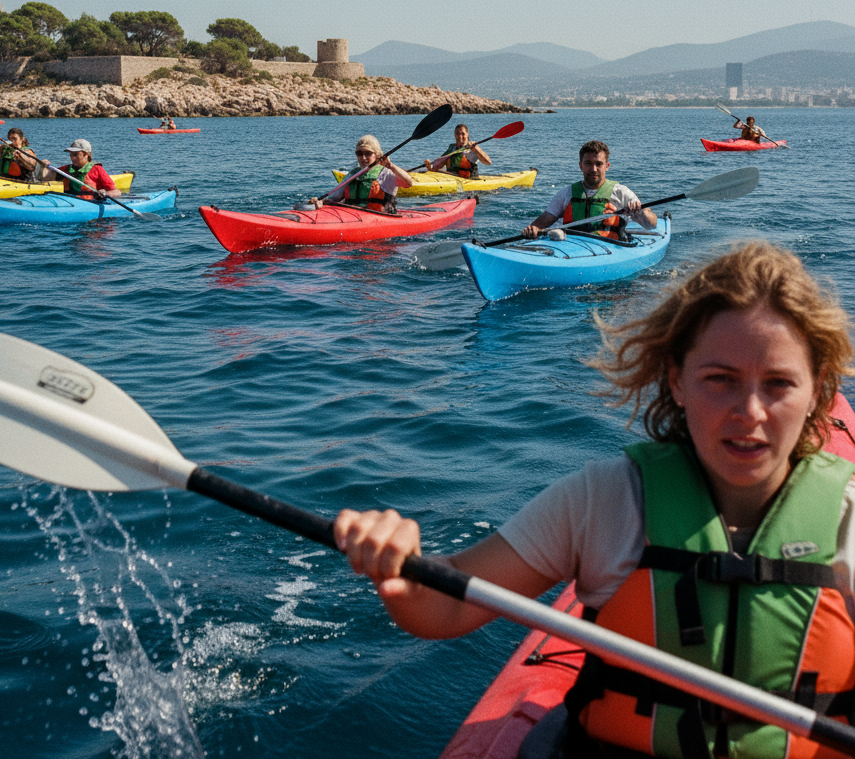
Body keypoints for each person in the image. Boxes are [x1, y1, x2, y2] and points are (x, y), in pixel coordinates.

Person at [335, 242, 855, 758]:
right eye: (720, 379)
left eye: (779, 384)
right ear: (676, 381)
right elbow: (443, 610)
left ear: (817, 392)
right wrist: (399, 572)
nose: (750, 411)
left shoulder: (848, 517)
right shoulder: (605, 501)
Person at [522, 140, 656, 241]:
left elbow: (651, 224)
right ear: (581, 166)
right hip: (572, 247)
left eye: (599, 164)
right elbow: (542, 222)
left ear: (607, 166)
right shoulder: (566, 194)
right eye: (588, 164)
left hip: (610, 247)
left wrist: (640, 212)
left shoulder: (621, 192)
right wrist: (532, 230)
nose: (594, 169)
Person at [310, 135, 413, 213]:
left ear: (376, 155)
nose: (363, 158)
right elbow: (334, 197)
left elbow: (408, 183)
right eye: (360, 154)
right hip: (351, 216)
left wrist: (390, 165)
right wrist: (321, 202)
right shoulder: (353, 174)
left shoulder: (385, 173)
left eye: (368, 153)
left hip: (379, 217)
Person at [39, 139, 121, 199]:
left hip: (91, 204)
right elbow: (46, 179)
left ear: (86, 155)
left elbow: (117, 192)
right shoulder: (66, 169)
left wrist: (105, 193)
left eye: (75, 155)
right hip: (70, 202)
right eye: (71, 155)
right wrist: (45, 167)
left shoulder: (97, 169)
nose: (72, 158)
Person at [424, 123, 492, 179]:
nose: (460, 136)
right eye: (457, 133)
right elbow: (440, 164)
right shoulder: (452, 149)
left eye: (463, 134)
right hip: (450, 178)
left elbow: (488, 162)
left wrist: (477, 149)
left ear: (467, 134)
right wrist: (431, 166)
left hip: (469, 182)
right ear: (454, 134)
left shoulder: (472, 149)